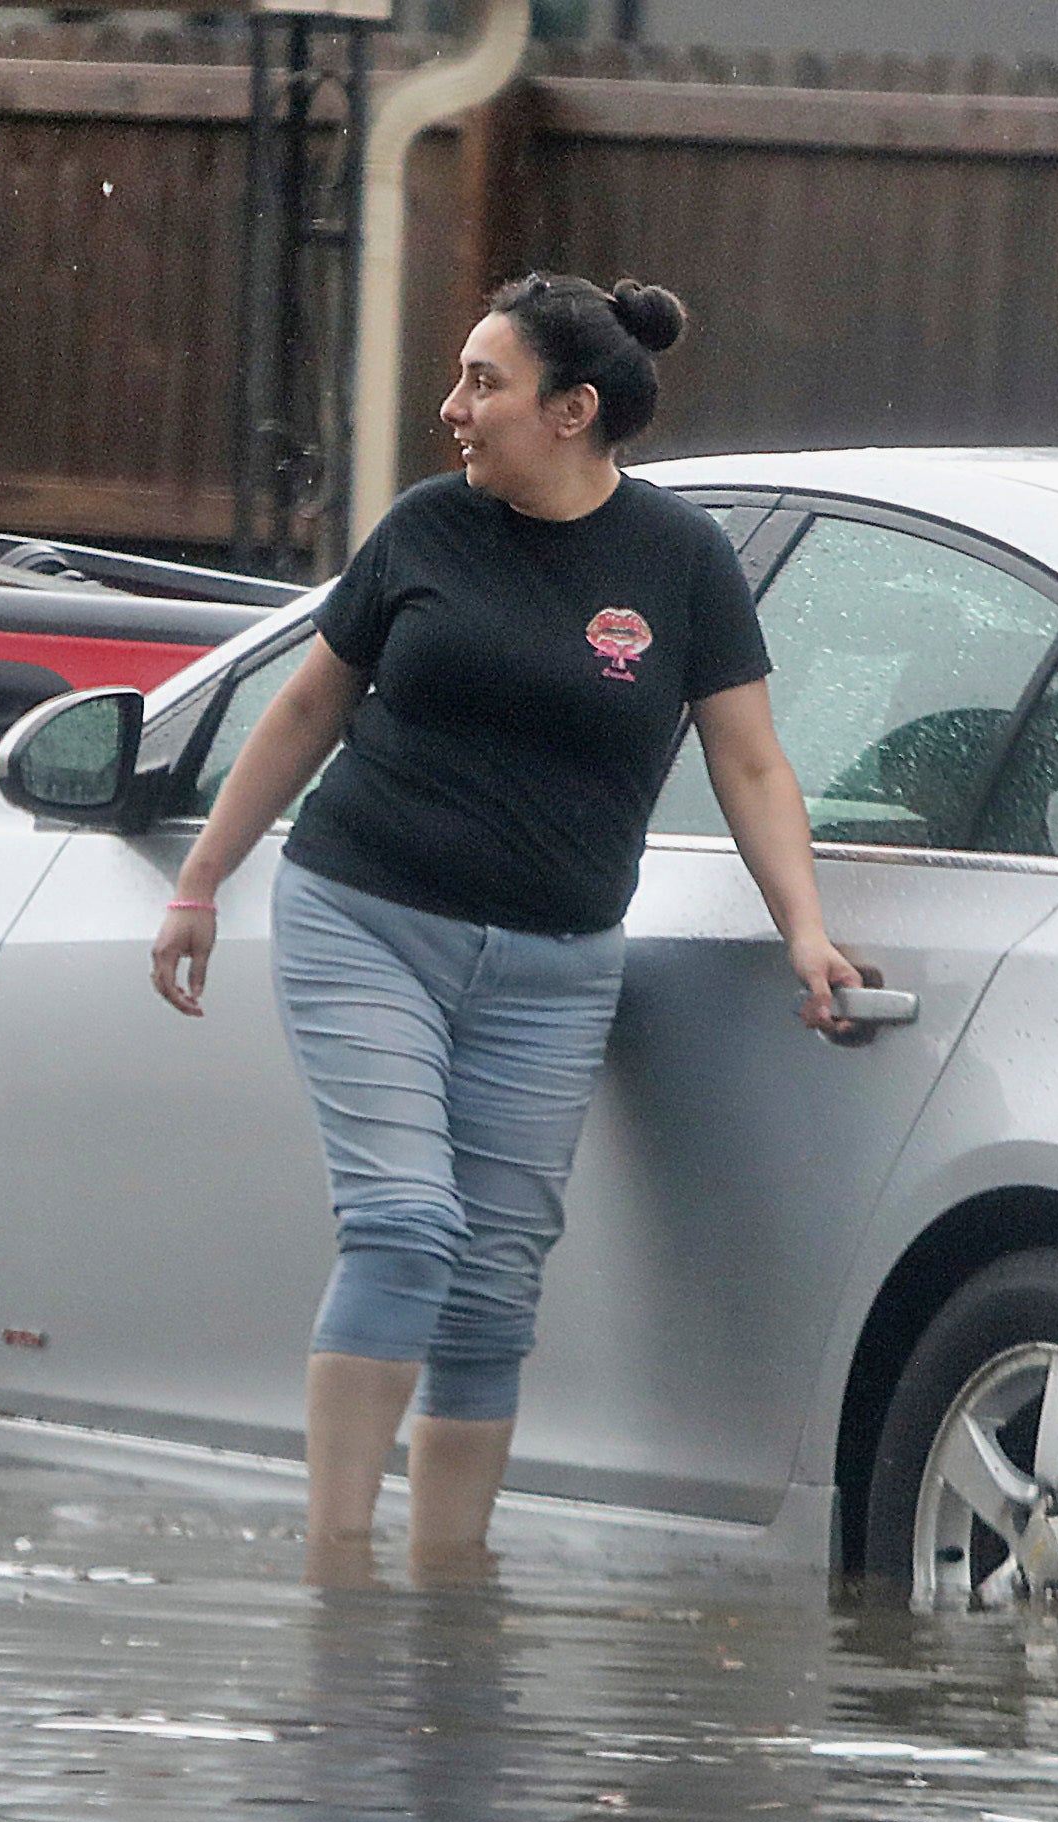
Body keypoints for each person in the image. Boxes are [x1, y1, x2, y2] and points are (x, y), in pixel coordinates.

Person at [148, 270, 860, 1583]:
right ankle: (340, 1576)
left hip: (554, 965)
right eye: (460, 377)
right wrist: (201, 880)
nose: (451, 409)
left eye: (485, 383)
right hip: (365, 917)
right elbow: (307, 710)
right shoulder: (424, 532)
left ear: (574, 410)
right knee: (409, 1225)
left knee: (492, 1279)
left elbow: (753, 765)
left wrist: (804, 931)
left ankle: (448, 1591)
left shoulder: (681, 565)